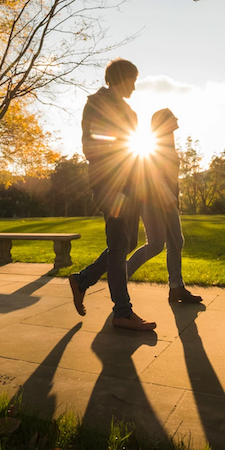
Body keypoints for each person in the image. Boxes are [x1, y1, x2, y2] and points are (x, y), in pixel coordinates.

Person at [68, 59, 157, 331]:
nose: (135, 86)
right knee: (119, 245)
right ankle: (122, 311)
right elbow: (91, 144)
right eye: (133, 80)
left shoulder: (130, 111)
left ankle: (83, 280)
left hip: (130, 185)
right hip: (110, 184)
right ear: (121, 77)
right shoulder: (97, 103)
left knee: (127, 243)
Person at [128, 108, 202, 304]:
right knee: (155, 245)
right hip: (153, 201)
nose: (176, 119)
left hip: (169, 201)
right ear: (164, 122)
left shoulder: (169, 142)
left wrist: (174, 199)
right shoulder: (154, 144)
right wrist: (169, 199)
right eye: (172, 117)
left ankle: (176, 288)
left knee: (176, 241)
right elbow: (152, 174)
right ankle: (120, 278)